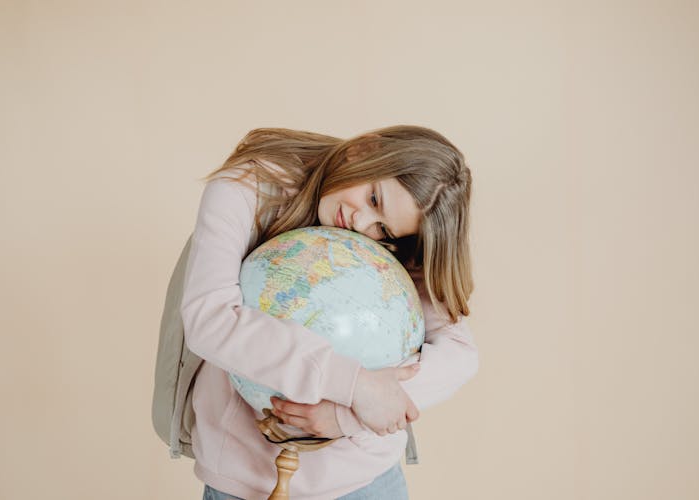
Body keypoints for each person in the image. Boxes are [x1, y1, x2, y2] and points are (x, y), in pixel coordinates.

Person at [180, 125, 479, 500]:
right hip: (246, 478)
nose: (361, 224)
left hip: (368, 479)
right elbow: (210, 319)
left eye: (382, 227)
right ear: (363, 151)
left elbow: (460, 354)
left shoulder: (396, 245)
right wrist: (354, 384)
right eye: (373, 198)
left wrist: (347, 415)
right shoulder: (248, 186)